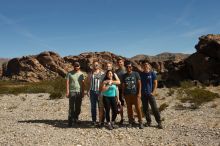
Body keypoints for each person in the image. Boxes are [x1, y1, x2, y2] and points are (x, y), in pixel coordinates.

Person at [140, 60, 163, 129]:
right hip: (143, 94)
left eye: (146, 64)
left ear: (149, 65)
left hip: (150, 94)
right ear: (142, 66)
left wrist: (153, 92)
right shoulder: (141, 74)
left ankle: (159, 122)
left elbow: (155, 83)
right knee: (145, 109)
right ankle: (148, 121)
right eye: (144, 65)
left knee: (155, 108)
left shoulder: (152, 73)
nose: (145, 66)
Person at [122, 61, 143, 129]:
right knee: (129, 108)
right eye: (127, 67)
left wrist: (139, 93)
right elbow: (123, 85)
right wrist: (123, 94)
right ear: (126, 68)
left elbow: (139, 83)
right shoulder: (124, 75)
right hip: (127, 94)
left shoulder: (136, 74)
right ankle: (131, 121)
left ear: (132, 67)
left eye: (130, 67)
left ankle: (140, 122)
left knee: (138, 108)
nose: (129, 68)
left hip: (135, 94)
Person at [66, 61, 85, 127]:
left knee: (78, 107)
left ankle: (76, 118)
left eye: (77, 66)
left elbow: (83, 84)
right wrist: (67, 91)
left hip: (79, 92)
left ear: (79, 66)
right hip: (72, 91)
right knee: (71, 107)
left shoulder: (81, 74)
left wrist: (83, 92)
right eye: (75, 65)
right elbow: (67, 83)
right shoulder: (69, 73)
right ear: (73, 66)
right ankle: (70, 120)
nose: (76, 67)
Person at [87, 61, 104, 126]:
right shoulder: (90, 73)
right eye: (94, 65)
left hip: (100, 92)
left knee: (101, 107)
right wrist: (88, 90)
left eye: (96, 65)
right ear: (92, 66)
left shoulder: (102, 73)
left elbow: (103, 83)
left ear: (99, 65)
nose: (95, 66)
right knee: (93, 107)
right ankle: (94, 120)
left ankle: (101, 120)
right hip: (92, 92)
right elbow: (89, 83)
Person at [115, 58, 126, 125]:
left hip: (125, 90)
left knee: (127, 105)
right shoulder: (116, 71)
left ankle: (131, 118)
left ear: (123, 62)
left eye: (120, 62)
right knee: (119, 104)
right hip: (118, 90)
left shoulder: (126, 70)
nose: (119, 63)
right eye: (118, 62)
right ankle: (121, 118)